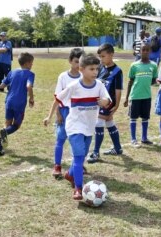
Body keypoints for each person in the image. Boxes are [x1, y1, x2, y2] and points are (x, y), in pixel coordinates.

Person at [46, 53, 110, 200]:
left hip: (89, 127)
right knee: (79, 157)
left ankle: (70, 174)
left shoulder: (99, 85)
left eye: (97, 69)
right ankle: (78, 189)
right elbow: (57, 99)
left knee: (82, 155)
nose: (95, 72)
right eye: (91, 69)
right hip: (74, 126)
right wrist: (50, 116)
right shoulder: (73, 86)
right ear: (81, 69)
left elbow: (107, 98)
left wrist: (104, 102)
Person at [43, 48, 84, 179]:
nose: (78, 65)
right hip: (64, 111)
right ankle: (57, 166)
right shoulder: (63, 77)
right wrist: (57, 114)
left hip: (77, 113)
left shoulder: (84, 77)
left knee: (76, 141)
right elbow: (57, 97)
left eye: (81, 62)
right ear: (70, 61)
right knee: (60, 139)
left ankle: (76, 166)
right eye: (76, 62)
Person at [87, 43, 123, 163]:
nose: (101, 59)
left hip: (109, 102)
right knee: (109, 122)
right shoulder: (101, 69)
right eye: (100, 57)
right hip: (100, 101)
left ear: (111, 54)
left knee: (99, 122)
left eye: (103, 56)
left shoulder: (117, 71)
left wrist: (116, 105)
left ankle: (96, 152)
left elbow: (118, 90)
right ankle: (117, 148)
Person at [0, 52, 35, 157]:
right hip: (19, 103)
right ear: (27, 63)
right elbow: (29, 86)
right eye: (31, 63)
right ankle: (5, 132)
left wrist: (5, 84)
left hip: (9, 101)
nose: (32, 65)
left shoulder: (12, 72)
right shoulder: (30, 74)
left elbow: (2, 85)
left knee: (7, 123)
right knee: (16, 125)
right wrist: (31, 98)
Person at [124, 42, 157, 147]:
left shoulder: (153, 65)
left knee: (145, 117)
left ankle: (144, 138)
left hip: (147, 96)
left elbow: (153, 80)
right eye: (143, 50)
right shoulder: (134, 65)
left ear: (150, 51)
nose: (146, 52)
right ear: (140, 51)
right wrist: (126, 97)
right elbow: (130, 81)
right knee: (133, 117)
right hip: (135, 96)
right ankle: (133, 139)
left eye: (147, 50)